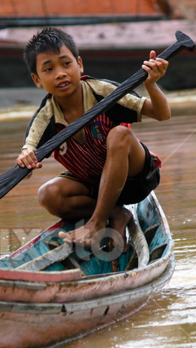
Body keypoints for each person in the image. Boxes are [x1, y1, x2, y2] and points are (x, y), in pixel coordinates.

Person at [16, 27, 171, 252]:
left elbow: (161, 113)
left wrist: (151, 85)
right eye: (48, 69)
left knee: (119, 134)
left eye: (66, 64)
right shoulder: (45, 118)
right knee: (48, 194)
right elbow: (27, 166)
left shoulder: (103, 92)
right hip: (95, 187)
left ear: (80, 64)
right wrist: (25, 158)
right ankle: (116, 214)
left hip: (136, 179)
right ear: (37, 80)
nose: (60, 73)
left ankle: (96, 222)